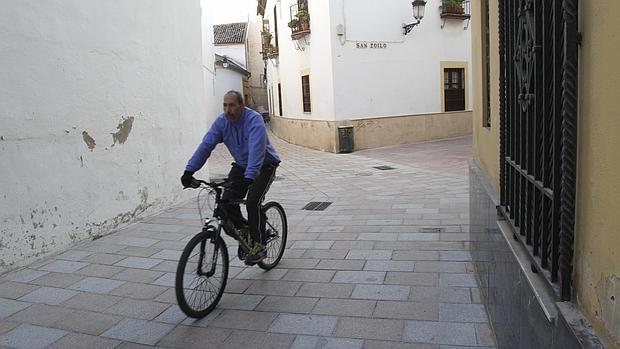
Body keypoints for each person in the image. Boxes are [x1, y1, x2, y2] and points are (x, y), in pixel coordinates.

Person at [181, 90, 281, 264]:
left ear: (242, 106)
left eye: (232, 105)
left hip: (264, 165)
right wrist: (189, 171)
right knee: (226, 204)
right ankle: (245, 230)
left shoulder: (253, 120)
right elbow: (206, 146)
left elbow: (257, 151)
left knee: (252, 202)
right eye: (225, 105)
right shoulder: (221, 122)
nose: (228, 110)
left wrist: (250, 176)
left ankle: (259, 245)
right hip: (242, 165)